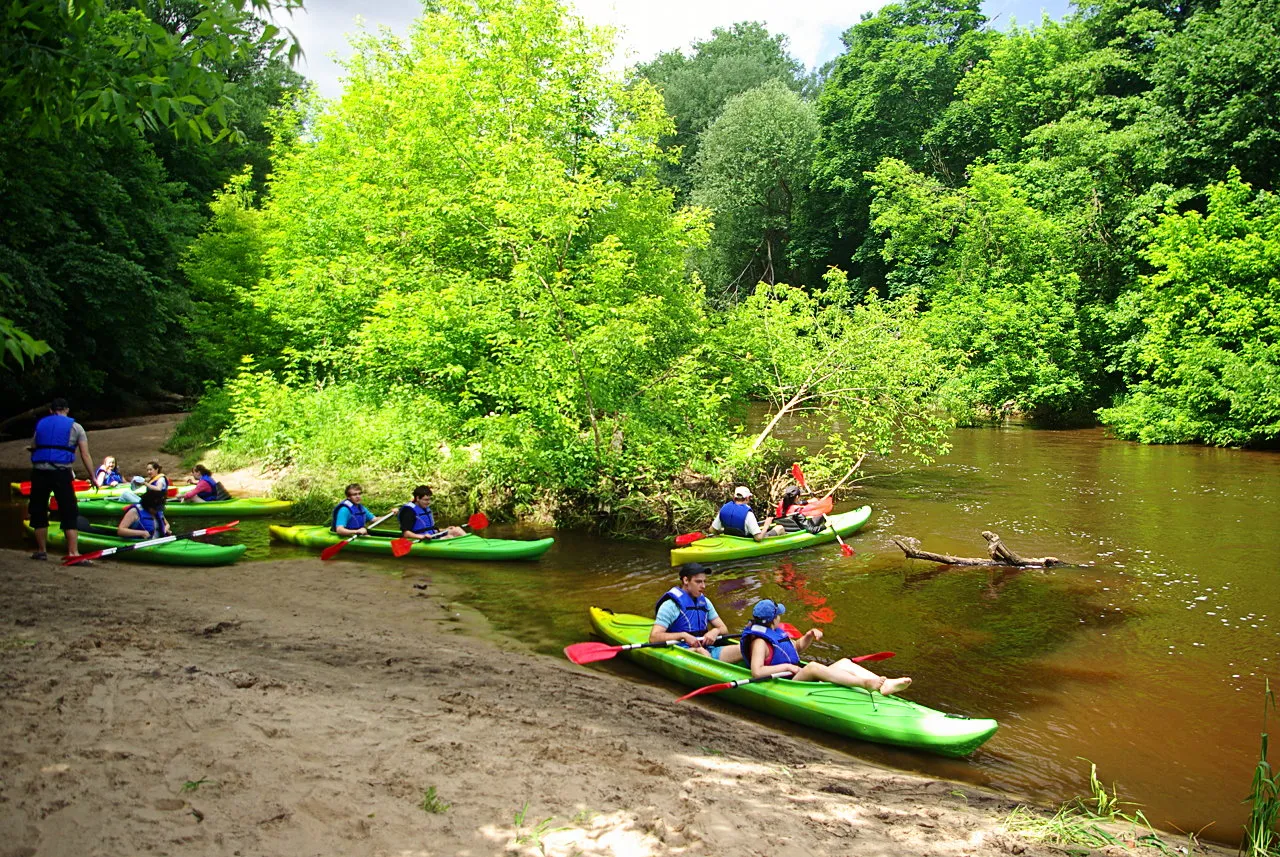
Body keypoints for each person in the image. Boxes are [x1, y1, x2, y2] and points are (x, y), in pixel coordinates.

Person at [741, 599, 912, 696]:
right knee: (813, 666)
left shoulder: (776, 633)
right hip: (783, 684)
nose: (780, 617)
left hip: (793, 677)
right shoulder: (759, 642)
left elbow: (795, 649)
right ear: (772, 619)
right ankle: (864, 683)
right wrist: (786, 667)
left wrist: (808, 636)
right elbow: (757, 671)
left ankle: (886, 684)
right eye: (779, 615)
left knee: (844, 662)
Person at [27, 398, 95, 561]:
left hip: (39, 473)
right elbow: (85, 454)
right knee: (69, 511)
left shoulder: (41, 425)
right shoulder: (76, 427)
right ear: (67, 410)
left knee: (38, 510)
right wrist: (92, 476)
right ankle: (73, 553)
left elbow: (33, 447)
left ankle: (41, 550)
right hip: (61, 472)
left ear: (51, 411)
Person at [649, 562, 743, 664]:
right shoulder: (671, 605)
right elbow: (654, 637)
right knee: (700, 651)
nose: (703, 586)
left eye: (704, 582)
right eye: (698, 582)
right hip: (683, 651)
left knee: (745, 648)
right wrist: (683, 635)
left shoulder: (705, 602)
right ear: (685, 580)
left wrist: (714, 631)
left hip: (707, 649)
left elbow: (723, 629)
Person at [710, 486, 784, 541]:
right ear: (747, 498)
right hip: (746, 541)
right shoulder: (748, 514)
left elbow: (712, 530)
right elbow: (758, 538)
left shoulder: (724, 508)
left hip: (730, 539)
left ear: (734, 497)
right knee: (780, 528)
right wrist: (766, 525)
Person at [398, 485, 466, 542]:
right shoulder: (409, 511)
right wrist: (422, 536)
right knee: (449, 537)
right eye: (426, 500)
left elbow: (429, 529)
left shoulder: (424, 508)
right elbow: (406, 534)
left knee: (456, 530)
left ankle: (474, 546)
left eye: (429, 499)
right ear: (418, 498)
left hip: (432, 535)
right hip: (420, 539)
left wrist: (444, 529)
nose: (429, 502)